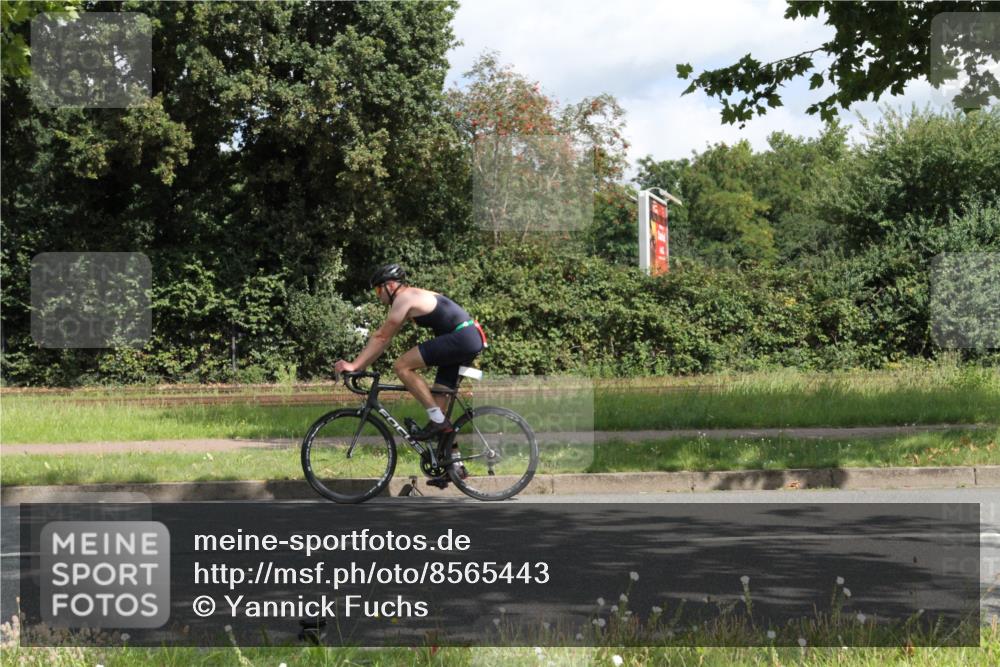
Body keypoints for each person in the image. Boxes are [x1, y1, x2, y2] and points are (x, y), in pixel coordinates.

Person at [333, 264, 487, 486]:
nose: (377, 296)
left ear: (390, 286)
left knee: (402, 366)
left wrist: (354, 365)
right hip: (467, 338)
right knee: (439, 411)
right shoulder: (412, 296)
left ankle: (437, 420)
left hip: (462, 338)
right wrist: (360, 365)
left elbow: (381, 337)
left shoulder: (404, 297)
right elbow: (385, 338)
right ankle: (454, 467)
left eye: (378, 290)